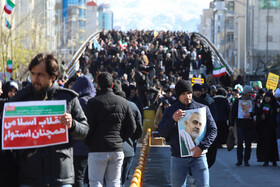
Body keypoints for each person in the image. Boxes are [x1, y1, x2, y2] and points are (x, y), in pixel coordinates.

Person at [11, 53, 89, 186]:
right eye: (32, 74)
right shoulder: (21, 100)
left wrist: (72, 125)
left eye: (40, 75)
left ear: (53, 77)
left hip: (60, 177)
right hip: (29, 177)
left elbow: (85, 130)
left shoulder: (68, 98)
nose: (35, 78)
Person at [158, 79, 217, 187]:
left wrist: (202, 146)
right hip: (178, 157)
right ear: (178, 95)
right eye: (183, 94)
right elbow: (162, 132)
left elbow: (213, 130)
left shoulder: (202, 108)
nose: (187, 96)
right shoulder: (171, 110)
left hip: (199, 156)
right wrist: (172, 120)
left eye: (189, 93)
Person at [85, 72, 136, 187]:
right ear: (112, 85)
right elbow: (132, 127)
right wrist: (120, 139)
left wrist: (88, 142)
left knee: (95, 182)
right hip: (116, 148)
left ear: (98, 85)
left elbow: (88, 126)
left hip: (97, 148)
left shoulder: (93, 103)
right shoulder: (123, 102)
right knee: (114, 182)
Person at [72, 75, 96, 187]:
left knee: (79, 177)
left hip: (79, 146)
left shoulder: (80, 102)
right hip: (94, 146)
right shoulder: (95, 100)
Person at [230, 85, 255, 166]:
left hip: (249, 125)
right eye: (249, 93)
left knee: (248, 143)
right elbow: (233, 113)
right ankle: (239, 160)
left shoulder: (252, 101)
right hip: (240, 124)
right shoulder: (237, 101)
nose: (250, 95)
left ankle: (246, 160)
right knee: (240, 142)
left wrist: (250, 114)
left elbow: (257, 111)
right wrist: (231, 124)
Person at [256, 92, 279, 166]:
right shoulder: (262, 105)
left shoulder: (275, 105)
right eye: (266, 97)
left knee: (273, 145)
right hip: (264, 129)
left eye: (268, 97)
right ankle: (265, 160)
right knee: (265, 145)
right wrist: (261, 117)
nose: (267, 98)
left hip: (273, 129)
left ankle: (274, 160)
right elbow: (258, 113)